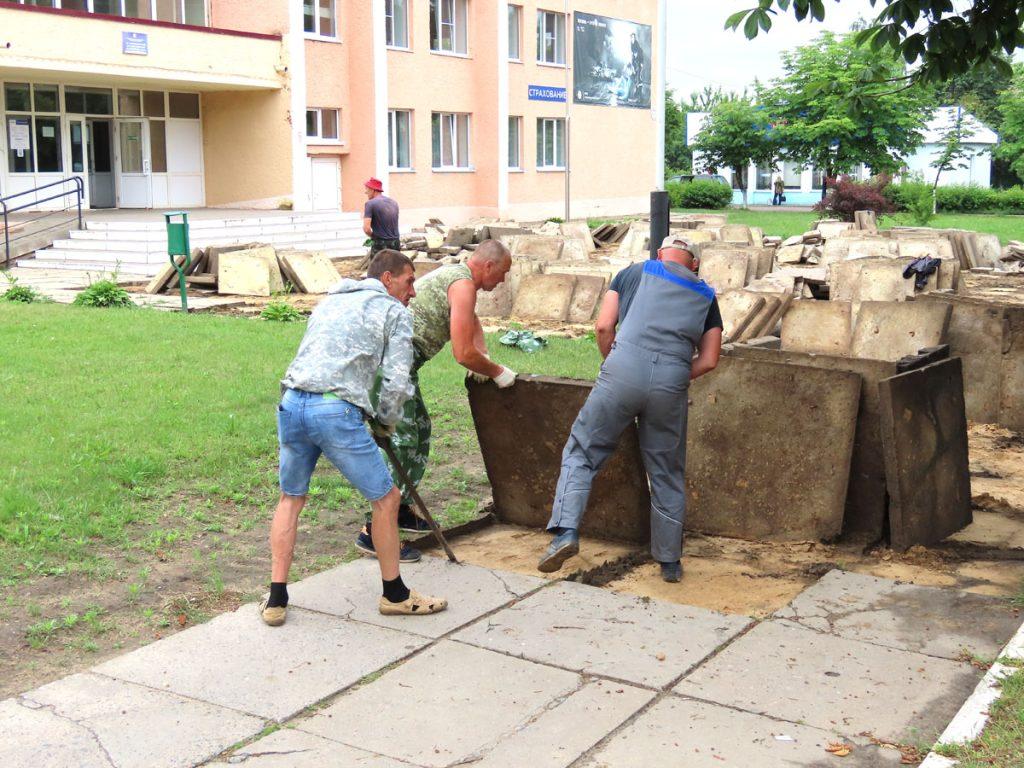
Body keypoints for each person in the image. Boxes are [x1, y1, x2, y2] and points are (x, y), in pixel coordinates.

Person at [261, 250, 447, 626]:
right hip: (335, 411)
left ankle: (276, 599)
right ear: (388, 279)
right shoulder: (394, 312)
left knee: (290, 498)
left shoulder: (329, 302)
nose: (413, 292)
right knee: (387, 498)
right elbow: (397, 378)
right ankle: (395, 595)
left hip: (292, 403)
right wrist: (388, 421)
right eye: (410, 281)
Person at [538, 235, 723, 583]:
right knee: (666, 470)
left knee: (583, 450)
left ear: (659, 255)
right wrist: (678, 374)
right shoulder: (707, 295)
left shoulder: (634, 272)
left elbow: (604, 325)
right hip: (671, 379)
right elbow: (711, 359)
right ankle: (669, 562)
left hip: (622, 369)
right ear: (694, 263)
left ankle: (565, 533)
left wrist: (614, 362)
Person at [354, 240, 517, 557]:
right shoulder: (462, 283)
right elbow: (463, 353)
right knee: (404, 440)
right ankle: (373, 532)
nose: (502, 281)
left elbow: (472, 326)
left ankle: (398, 510)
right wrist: (497, 371)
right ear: (488, 266)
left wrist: (485, 355)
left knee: (419, 431)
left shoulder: (458, 279)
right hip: (391, 364)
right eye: (503, 273)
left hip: (399, 363)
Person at [363, 177, 401, 259]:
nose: (365, 192)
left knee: (377, 270)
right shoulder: (393, 202)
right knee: (394, 269)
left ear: (373, 190)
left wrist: (373, 237)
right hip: (396, 242)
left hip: (381, 243)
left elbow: (366, 228)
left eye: (367, 189)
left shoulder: (370, 204)